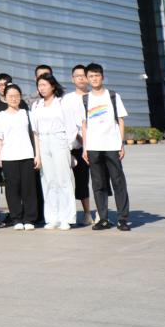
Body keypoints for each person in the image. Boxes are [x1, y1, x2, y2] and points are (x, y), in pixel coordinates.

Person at [81, 63, 131, 231]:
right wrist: (85, 148)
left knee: (118, 182)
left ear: (102, 77)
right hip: (93, 147)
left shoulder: (113, 96)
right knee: (98, 184)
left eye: (97, 75)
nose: (94, 79)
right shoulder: (85, 99)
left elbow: (121, 120)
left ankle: (122, 219)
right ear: (87, 79)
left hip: (111, 145)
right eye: (91, 76)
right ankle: (103, 219)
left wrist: (121, 144)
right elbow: (84, 125)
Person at [31, 74, 77, 230]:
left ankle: (66, 217)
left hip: (59, 140)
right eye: (39, 85)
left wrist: (68, 147)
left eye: (44, 85)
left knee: (63, 180)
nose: (42, 88)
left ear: (52, 86)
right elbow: (35, 132)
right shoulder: (36, 105)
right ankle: (52, 217)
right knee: (48, 180)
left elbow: (71, 127)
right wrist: (37, 154)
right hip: (43, 142)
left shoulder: (62, 103)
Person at [0, 84, 39, 231]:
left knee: (29, 189)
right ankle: (16, 218)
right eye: (10, 96)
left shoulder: (27, 114)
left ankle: (29, 218)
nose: (14, 99)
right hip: (8, 157)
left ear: (20, 97)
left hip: (27, 155)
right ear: (5, 98)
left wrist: (37, 155)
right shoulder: (1, 116)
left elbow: (35, 136)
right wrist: (0, 158)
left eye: (16, 96)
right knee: (12, 189)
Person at [62, 64, 96, 226]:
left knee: (99, 179)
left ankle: (101, 211)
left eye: (83, 75)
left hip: (98, 144)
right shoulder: (67, 99)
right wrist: (83, 141)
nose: (81, 78)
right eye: (77, 76)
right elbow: (67, 124)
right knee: (81, 180)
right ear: (72, 79)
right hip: (77, 146)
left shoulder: (96, 96)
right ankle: (87, 213)